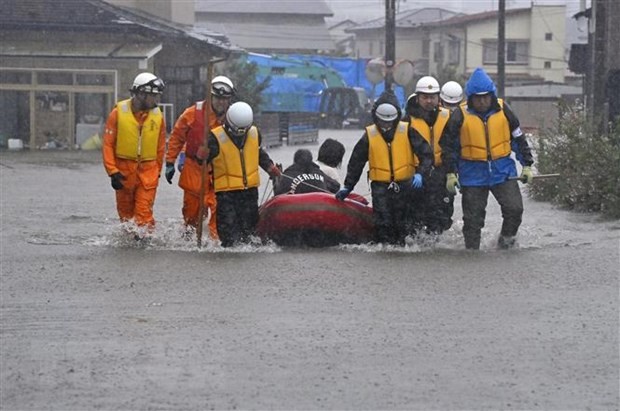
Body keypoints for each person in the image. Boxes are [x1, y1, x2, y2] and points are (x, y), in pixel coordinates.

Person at [440, 67, 534, 250]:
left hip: (503, 172)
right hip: (472, 174)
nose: (482, 101)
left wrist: (527, 165)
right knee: (473, 221)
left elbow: (518, 138)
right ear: (471, 97)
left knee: (514, 210)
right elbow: (448, 147)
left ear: (491, 95)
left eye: (485, 96)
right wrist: (451, 173)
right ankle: (472, 254)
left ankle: (505, 245)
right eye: (477, 97)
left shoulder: (504, 110)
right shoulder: (459, 115)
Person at [335, 91, 433, 245]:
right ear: (376, 117)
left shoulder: (408, 131)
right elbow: (356, 162)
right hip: (380, 187)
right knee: (383, 223)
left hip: (405, 186)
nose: (386, 125)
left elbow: (427, 155)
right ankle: (385, 250)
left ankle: (402, 249)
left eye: (389, 122)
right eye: (383, 122)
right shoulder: (369, 135)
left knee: (404, 223)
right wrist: (348, 185)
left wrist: (421, 174)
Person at [165, 76, 235, 240]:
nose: (220, 103)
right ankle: (189, 237)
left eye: (224, 99)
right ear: (210, 96)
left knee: (220, 211)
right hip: (195, 169)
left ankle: (216, 243)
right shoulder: (192, 114)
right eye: (217, 98)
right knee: (192, 213)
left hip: (220, 171)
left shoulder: (234, 117)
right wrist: (170, 161)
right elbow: (177, 137)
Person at [204, 101, 281, 247]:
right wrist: (200, 156)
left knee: (250, 232)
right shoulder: (214, 138)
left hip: (249, 193)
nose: (240, 134)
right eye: (237, 130)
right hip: (227, 195)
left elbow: (258, 153)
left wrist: (270, 167)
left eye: (243, 130)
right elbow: (201, 161)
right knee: (229, 235)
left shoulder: (254, 133)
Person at [102, 72, 166, 237]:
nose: (156, 100)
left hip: (148, 172)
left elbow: (160, 148)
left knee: (143, 214)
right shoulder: (117, 114)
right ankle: (131, 247)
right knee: (126, 217)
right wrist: (112, 171)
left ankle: (145, 244)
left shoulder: (158, 117)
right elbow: (108, 144)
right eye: (153, 96)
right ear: (140, 93)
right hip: (123, 173)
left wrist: (157, 171)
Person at [404, 76, 454, 236]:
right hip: (417, 175)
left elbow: (458, 144)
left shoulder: (449, 117)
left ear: (438, 98)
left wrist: (454, 171)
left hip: (442, 172)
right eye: (425, 97)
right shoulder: (407, 121)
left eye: (432, 97)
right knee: (416, 215)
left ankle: (437, 243)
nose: (429, 101)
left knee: (443, 214)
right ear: (417, 98)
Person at [274, 149, 340, 195]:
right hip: (320, 207)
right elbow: (336, 186)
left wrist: (276, 179)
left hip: (295, 209)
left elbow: (278, 193)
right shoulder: (318, 173)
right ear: (311, 160)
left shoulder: (288, 175)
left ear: (295, 161)